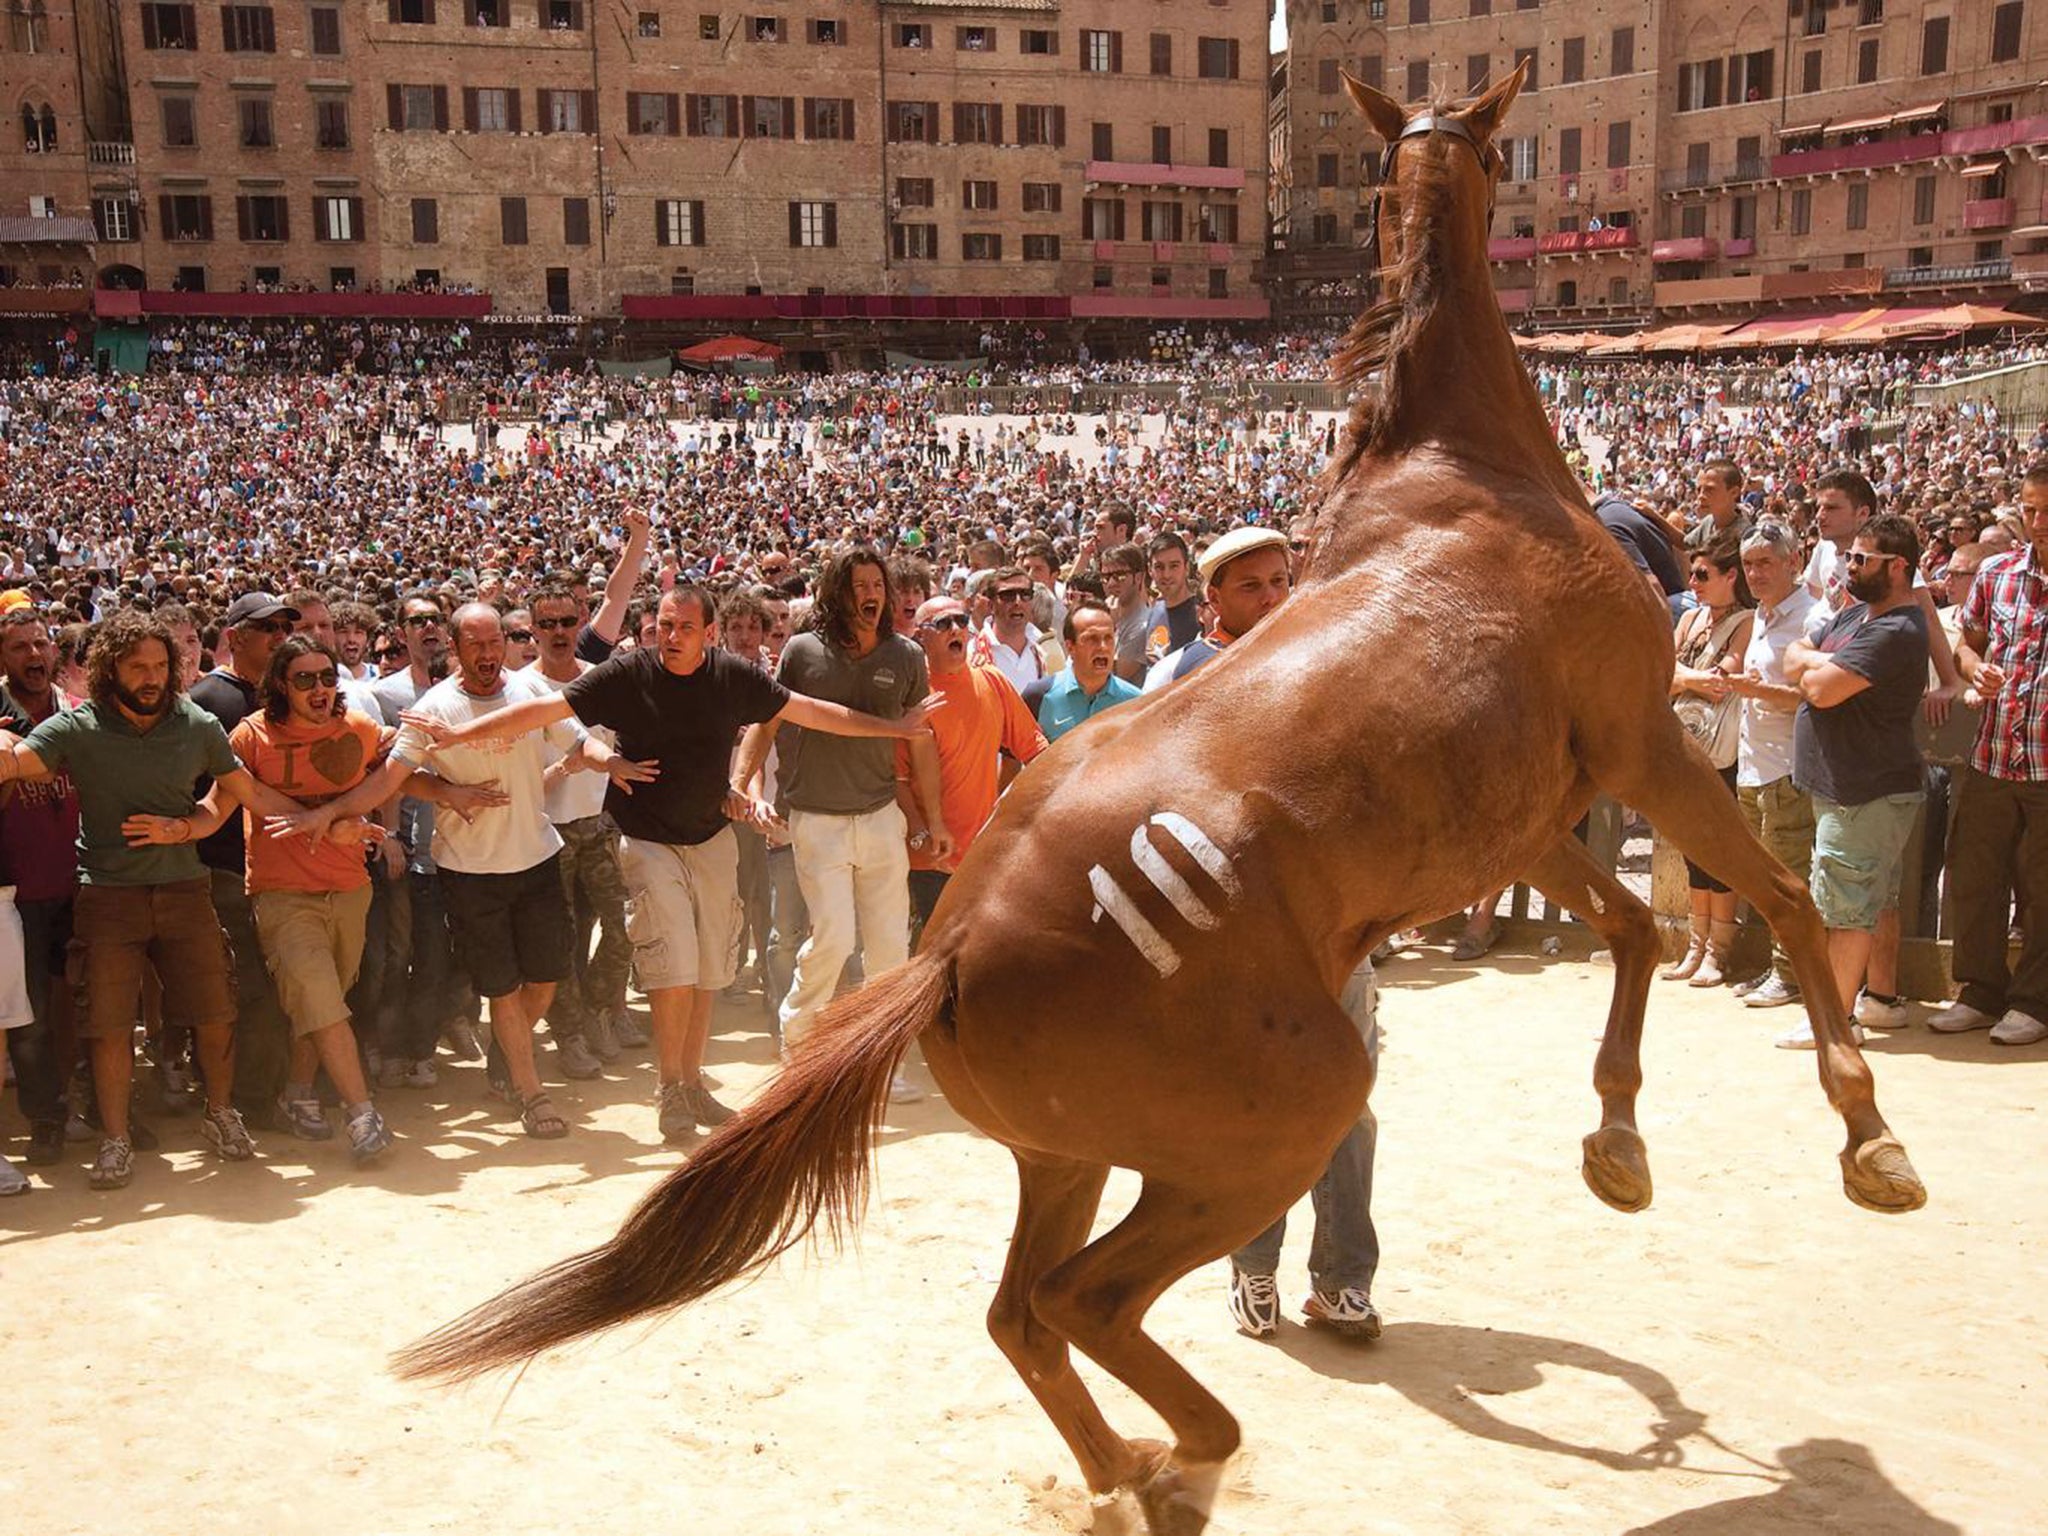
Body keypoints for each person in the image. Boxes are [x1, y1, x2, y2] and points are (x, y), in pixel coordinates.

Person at [412, 584, 939, 1144]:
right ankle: (670, 1088)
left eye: (685, 628)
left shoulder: (733, 676)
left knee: (712, 968)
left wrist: (893, 728)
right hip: (647, 840)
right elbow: (542, 710)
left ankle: (690, 1083)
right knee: (674, 968)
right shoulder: (629, 674)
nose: (672, 637)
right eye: (664, 625)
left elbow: (811, 712)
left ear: (709, 634)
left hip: (711, 837)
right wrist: (464, 731)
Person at [1139, 526, 1382, 1340]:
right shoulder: (1178, 676)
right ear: (1211, 602)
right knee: (1254, 1109)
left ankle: (1344, 1279)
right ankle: (1252, 1271)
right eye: (1253, 587)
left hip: (1334, 928)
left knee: (1350, 1105)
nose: (1275, 596)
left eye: (1283, 580)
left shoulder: (1337, 667)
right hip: (1236, 940)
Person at [276, 604, 627, 1139]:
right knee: (503, 989)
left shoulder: (531, 696)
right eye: (476, 645)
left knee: (548, 979)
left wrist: (610, 760)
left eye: (494, 643)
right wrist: (333, 811)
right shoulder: (435, 709)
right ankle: (532, 1095)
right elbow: (389, 779)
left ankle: (506, 1059)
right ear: (457, 650)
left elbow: (581, 742)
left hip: (536, 858)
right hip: (469, 873)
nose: (487, 654)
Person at [0, 610, 313, 1188]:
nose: (150, 677)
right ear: (108, 668)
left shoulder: (194, 723)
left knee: (217, 1010)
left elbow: (242, 792)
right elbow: (17, 762)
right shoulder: (79, 727)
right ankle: (116, 1140)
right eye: (137, 666)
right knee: (110, 1026)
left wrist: (193, 826)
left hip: (184, 889)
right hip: (107, 896)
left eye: (160, 666)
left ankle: (221, 1115)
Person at [144, 637, 395, 1162]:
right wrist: (181, 829)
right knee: (320, 997)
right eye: (305, 679)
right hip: (281, 894)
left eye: (328, 677)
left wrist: (450, 794)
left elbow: (396, 777)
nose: (320, 688)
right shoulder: (250, 736)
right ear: (281, 684)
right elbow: (218, 806)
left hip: (351, 889)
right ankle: (363, 1115)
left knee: (319, 1001)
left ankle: (299, 1092)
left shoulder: (361, 730)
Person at [734, 547, 948, 1060]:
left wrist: (935, 821)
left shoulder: (906, 655)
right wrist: (743, 783)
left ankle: (879, 1060)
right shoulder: (804, 651)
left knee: (889, 947)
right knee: (832, 939)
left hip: (879, 817)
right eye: (858, 585)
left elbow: (919, 739)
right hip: (817, 820)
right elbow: (769, 720)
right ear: (837, 592)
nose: (870, 594)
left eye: (877, 584)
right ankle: (799, 1042)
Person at [1777, 514, 1931, 1051]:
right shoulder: (1857, 615)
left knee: (1845, 909)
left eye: (1862, 559)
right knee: (1873, 899)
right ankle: (1880, 1000)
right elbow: (1793, 655)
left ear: (1899, 567)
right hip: (1853, 787)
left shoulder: (1897, 630)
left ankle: (1835, 1022)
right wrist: (1821, 662)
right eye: (1850, 557)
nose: (1850, 567)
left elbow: (1819, 688)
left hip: (1863, 791)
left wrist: (1817, 665)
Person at [1930, 463, 2048, 1046]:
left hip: (2047, 763)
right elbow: (1967, 646)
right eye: (2029, 509)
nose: (2037, 522)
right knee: (1975, 875)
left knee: (2043, 885)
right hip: (1995, 752)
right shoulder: (1999, 573)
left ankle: (2035, 1001)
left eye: (2047, 511)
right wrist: (1977, 670)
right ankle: (1978, 990)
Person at [189, 590, 300, 1129]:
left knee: (280, 986)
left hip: (284, 866)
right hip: (227, 868)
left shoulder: (292, 694)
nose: (281, 636)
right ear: (235, 638)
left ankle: (265, 1091)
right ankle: (248, 1101)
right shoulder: (207, 700)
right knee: (249, 989)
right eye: (269, 628)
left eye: (285, 627)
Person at [521, 581, 629, 1080]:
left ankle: (600, 1010)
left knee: (624, 928)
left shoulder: (603, 679)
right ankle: (569, 1035)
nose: (559, 632)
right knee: (560, 941)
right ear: (532, 628)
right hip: (548, 833)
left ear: (581, 621)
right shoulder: (520, 689)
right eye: (548, 624)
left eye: (567, 622)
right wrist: (567, 767)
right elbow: (520, 784)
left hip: (600, 826)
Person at [900, 594, 1045, 932]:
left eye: (962, 621)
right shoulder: (911, 695)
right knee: (929, 957)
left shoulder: (992, 682)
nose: (956, 629)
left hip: (982, 855)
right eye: (943, 623)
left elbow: (1035, 749)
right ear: (921, 636)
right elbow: (898, 780)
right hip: (929, 861)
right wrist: (921, 833)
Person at [1723, 521, 1821, 1010]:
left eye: (1765, 562)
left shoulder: (1811, 618)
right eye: (1748, 564)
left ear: (1792, 562)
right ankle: (1777, 967)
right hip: (1754, 766)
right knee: (1767, 879)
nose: (1756, 573)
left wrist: (1759, 691)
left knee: (1790, 876)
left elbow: (1815, 695)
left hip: (1788, 768)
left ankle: (1792, 974)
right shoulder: (1761, 615)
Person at [0, 606, 79, 1168]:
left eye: (40, 644)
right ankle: (46, 1118)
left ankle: (97, 1106)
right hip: (17, 893)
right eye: (19, 647)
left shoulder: (78, 713)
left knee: (87, 1004)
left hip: (82, 884)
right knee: (30, 1018)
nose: (33, 655)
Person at [1660, 534, 1755, 988]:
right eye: (1692, 574)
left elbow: (1725, 679)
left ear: (1730, 576)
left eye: (1703, 575)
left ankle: (1719, 949)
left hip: (1723, 751)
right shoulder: (1691, 618)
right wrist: (1691, 679)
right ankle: (1696, 945)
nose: (1693, 583)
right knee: (1693, 849)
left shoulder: (1745, 621)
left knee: (1721, 851)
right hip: (1686, 745)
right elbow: (1662, 672)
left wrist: (1685, 679)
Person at [1020, 600, 1140, 743]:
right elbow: (1012, 760)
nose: (1103, 647)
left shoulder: (1136, 702)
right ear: (1070, 647)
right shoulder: (1038, 696)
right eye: (1091, 639)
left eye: (1108, 638)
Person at [970, 565, 1050, 695]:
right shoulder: (972, 654)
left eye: (1025, 594)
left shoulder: (1044, 651)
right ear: (991, 605)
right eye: (1008, 595)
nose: (1017, 602)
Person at [1143, 532, 1201, 661]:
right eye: (1159, 567)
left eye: (1174, 566)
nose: (1166, 574)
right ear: (1150, 570)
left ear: (1186, 568)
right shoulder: (1156, 610)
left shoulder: (1200, 616)